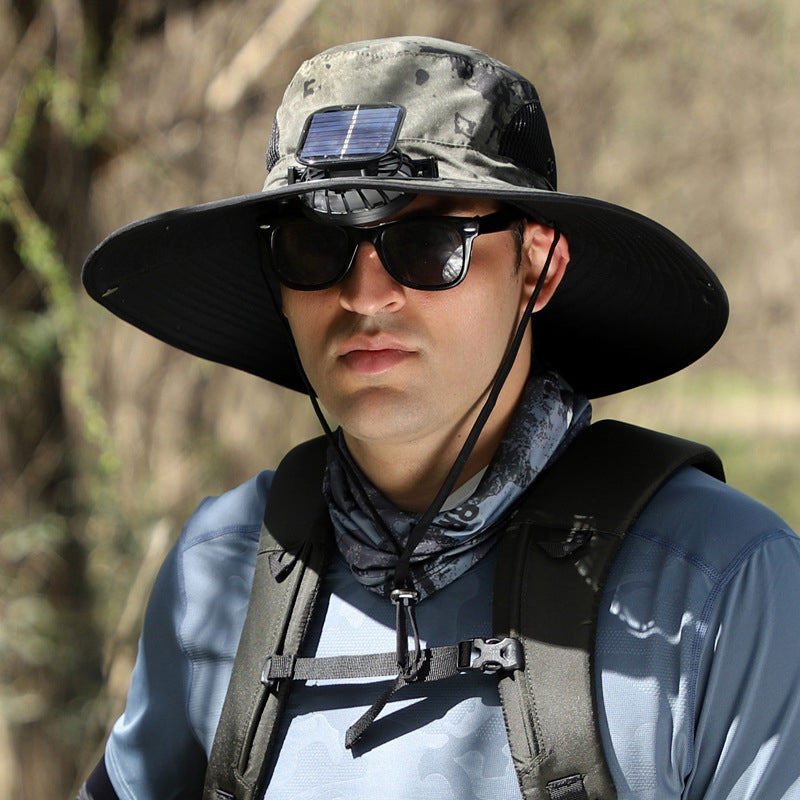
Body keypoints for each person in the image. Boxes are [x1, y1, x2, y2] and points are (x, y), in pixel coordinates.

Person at [77, 36, 800, 800]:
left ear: (537, 267)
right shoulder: (216, 573)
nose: (365, 295)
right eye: (315, 248)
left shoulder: (721, 584)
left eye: (424, 245)